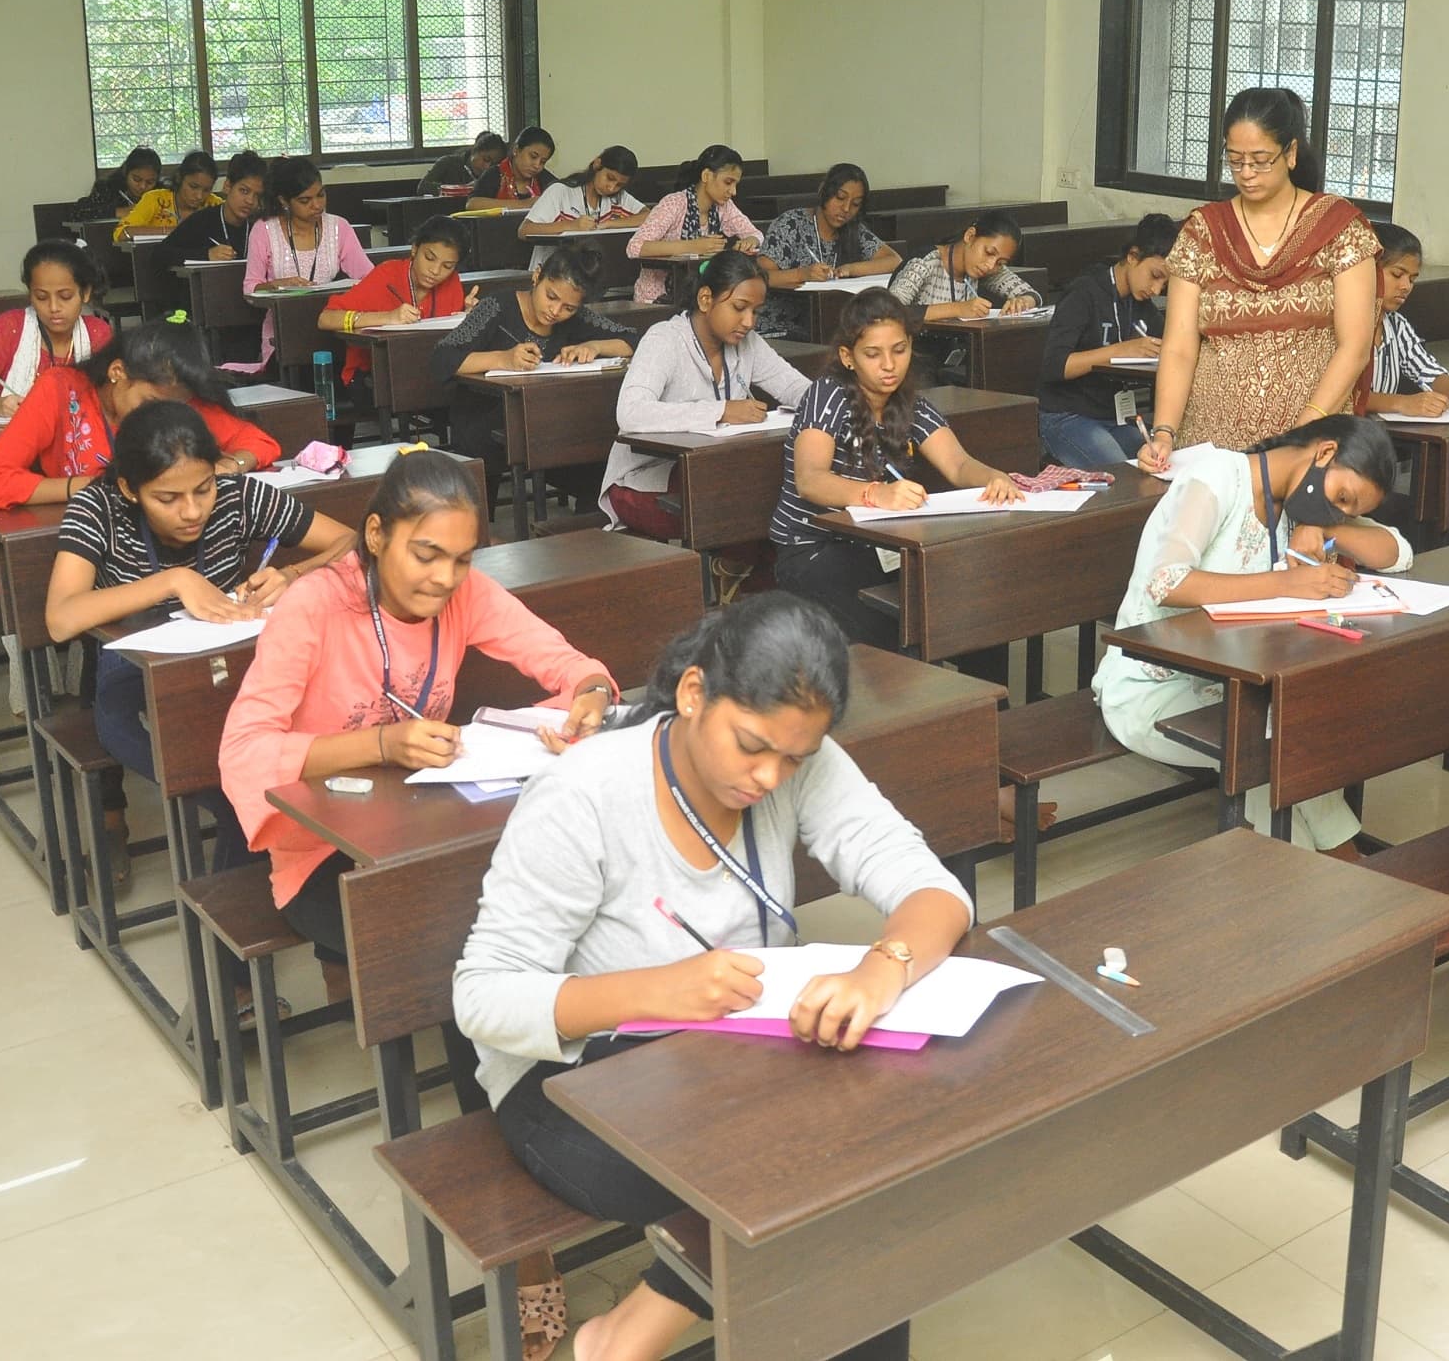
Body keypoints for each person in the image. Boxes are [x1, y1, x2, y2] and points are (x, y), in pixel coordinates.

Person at [454, 593, 966, 1361]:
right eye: (752, 746)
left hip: (728, 1056)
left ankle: (637, 1326)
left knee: (872, 1162)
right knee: (835, 1181)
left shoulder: (800, 757)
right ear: (693, 694)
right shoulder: (584, 793)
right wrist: (656, 990)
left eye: (793, 758)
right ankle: (633, 1331)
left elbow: (934, 891)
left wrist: (882, 969)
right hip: (571, 1084)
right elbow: (482, 994)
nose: (770, 777)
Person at [220, 450, 620, 1005]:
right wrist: (381, 744)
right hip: (323, 849)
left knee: (542, 913)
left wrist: (591, 695)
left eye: (461, 560)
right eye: (427, 555)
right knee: (468, 948)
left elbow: (563, 660)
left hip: (424, 828)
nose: (444, 580)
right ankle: (487, 1086)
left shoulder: (465, 593)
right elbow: (244, 750)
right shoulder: (315, 606)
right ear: (378, 535)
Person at [43, 400, 354, 880]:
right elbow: (61, 619)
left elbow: (355, 543)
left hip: (236, 674)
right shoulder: (98, 506)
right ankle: (251, 894)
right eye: (168, 499)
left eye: (203, 488)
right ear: (130, 488)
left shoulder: (236, 496)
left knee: (283, 769)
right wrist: (173, 582)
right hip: (134, 680)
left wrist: (294, 573)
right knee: (233, 794)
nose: (192, 511)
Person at [1094, 415, 1412, 850]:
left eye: (1350, 511)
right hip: (1152, 687)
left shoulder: (1296, 508)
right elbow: (1166, 582)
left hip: (1239, 688)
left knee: (1295, 733)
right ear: (1324, 453)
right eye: (1341, 498)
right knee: (1279, 744)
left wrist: (1326, 522)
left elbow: (1398, 553)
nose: (1339, 511)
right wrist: (1287, 584)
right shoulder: (1217, 478)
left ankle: (1331, 873)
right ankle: (1336, 870)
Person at [1136, 88, 1381, 467]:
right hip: (1211, 446)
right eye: (1235, 161)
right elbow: (1180, 347)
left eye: (1261, 160)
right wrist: (1164, 432)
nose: (1246, 173)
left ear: (1291, 153)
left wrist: (1300, 435)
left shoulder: (1338, 228)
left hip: (1311, 443)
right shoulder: (1204, 231)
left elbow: (1354, 348)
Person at [769, 290, 1024, 646]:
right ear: (848, 357)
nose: (889, 365)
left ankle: (971, 696)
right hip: (813, 547)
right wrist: (877, 494)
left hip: (877, 544)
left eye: (899, 350)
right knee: (891, 627)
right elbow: (810, 480)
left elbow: (958, 463)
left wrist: (994, 477)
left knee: (968, 607)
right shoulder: (826, 394)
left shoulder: (910, 403)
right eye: (873, 354)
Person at [599, 251, 812, 552]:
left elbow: (793, 386)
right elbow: (630, 413)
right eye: (739, 308)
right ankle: (737, 580)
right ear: (705, 300)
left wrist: (831, 404)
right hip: (645, 479)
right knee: (744, 498)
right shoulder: (664, 339)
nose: (749, 322)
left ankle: (748, 582)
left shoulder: (746, 342)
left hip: (717, 472)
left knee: (767, 488)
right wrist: (721, 410)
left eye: (756, 311)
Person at [0, 322, 279, 510]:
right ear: (117, 372)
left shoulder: (174, 400)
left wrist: (230, 465)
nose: (159, 417)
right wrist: (90, 486)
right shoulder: (61, 390)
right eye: (148, 402)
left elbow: (259, 442)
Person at [430, 245, 640, 469]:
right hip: (484, 418)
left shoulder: (575, 319)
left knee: (594, 447)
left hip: (550, 422)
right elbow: (442, 358)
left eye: (568, 307)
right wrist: (503, 359)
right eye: (551, 296)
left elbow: (635, 340)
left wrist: (595, 346)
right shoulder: (496, 306)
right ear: (537, 275)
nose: (555, 311)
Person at [1036, 213, 1174, 468]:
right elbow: (1054, 366)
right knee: (1125, 476)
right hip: (1067, 415)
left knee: (1160, 464)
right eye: (1155, 275)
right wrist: (1120, 351)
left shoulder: (1141, 304)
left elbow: (1168, 346)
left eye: (1164, 283)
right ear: (1133, 257)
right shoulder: (1084, 292)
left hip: (1117, 418)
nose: (1156, 290)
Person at [0, 242, 112, 419]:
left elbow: (115, 400)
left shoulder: (97, 333)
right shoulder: (7, 329)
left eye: (65, 296)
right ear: (30, 294)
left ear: (85, 293)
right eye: (41, 297)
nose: (54, 307)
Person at [236, 158, 373, 372]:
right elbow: (249, 289)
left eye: (321, 195)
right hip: (283, 334)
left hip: (331, 330)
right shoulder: (264, 230)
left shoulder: (339, 227)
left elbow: (369, 277)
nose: (317, 205)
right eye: (305, 200)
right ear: (284, 201)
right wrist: (277, 285)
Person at [1359, 223, 1449, 418]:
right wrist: (1401, 403)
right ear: (1366, 269)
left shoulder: (1396, 325)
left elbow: (1428, 371)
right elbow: (1339, 396)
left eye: (1412, 279)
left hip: (1378, 432)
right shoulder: (1334, 325)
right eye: (1397, 275)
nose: (1405, 286)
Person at [752, 164, 902, 338]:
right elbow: (761, 276)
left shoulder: (853, 231)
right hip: (781, 325)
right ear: (824, 191)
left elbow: (894, 260)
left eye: (855, 204)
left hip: (831, 324)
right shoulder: (791, 223)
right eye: (840, 198)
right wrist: (802, 274)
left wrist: (851, 269)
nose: (846, 209)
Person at [319, 216, 469, 388]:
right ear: (414, 249)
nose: (435, 271)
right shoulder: (387, 275)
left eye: (447, 266)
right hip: (372, 377)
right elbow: (325, 319)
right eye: (429, 258)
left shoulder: (452, 283)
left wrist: (471, 319)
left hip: (428, 375)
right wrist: (388, 317)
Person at [626, 145, 762, 303]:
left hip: (698, 297)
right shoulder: (674, 203)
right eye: (728, 182)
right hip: (655, 299)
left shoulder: (725, 207)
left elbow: (757, 235)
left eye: (735, 184)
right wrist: (693, 246)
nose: (733, 191)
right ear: (706, 176)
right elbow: (635, 247)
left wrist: (749, 242)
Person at [886, 210, 1040, 321]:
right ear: (970, 236)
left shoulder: (987, 269)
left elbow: (1033, 295)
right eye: (988, 252)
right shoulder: (924, 263)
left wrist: (1024, 301)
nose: (990, 265)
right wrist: (958, 309)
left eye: (1001, 263)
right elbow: (888, 311)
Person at [156, 150, 266, 263]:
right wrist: (206, 255)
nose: (250, 201)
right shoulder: (202, 221)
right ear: (227, 186)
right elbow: (160, 254)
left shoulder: (261, 225)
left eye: (258, 195)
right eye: (244, 191)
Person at [523, 144, 650, 237]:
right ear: (597, 164)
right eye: (610, 178)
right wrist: (571, 226)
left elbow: (648, 217)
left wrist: (610, 224)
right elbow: (525, 230)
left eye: (619, 185)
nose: (611, 188)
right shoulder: (561, 191)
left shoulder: (618, 197)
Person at [114, 150, 219, 242]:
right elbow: (121, 233)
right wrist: (172, 231)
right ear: (179, 178)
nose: (199, 196)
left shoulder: (215, 205)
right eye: (193, 187)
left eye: (206, 190)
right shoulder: (155, 199)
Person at [70, 147, 161, 220]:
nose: (142, 186)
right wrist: (118, 212)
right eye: (136, 179)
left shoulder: (161, 193)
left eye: (150, 182)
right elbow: (77, 213)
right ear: (125, 172)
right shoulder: (107, 187)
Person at [475, 126, 556, 203]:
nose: (537, 165)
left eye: (543, 162)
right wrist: (525, 204)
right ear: (516, 150)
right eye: (533, 156)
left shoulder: (543, 178)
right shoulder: (494, 174)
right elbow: (472, 204)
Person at [421, 130, 506, 194]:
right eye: (486, 159)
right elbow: (423, 187)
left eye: (493, 164)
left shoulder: (494, 173)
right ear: (474, 150)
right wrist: (461, 189)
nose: (487, 166)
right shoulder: (449, 163)